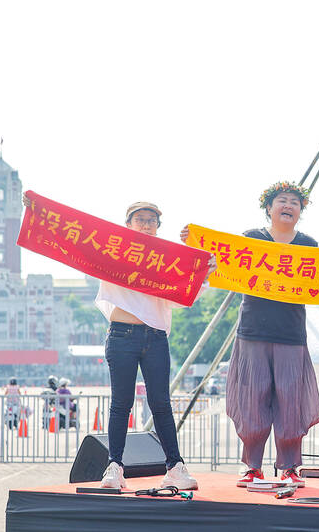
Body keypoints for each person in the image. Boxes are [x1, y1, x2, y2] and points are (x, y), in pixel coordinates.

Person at [183, 182, 319, 488]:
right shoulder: (251, 239)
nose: (288, 206)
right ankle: (252, 466)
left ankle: (290, 467)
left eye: (295, 202)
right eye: (282, 200)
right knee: (252, 398)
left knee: (291, 400)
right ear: (269, 207)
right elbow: (221, 264)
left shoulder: (309, 245)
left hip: (291, 333)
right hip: (252, 331)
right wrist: (194, 244)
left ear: (301, 211)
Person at [92, 201, 215, 490]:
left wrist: (203, 270)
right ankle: (114, 467)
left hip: (156, 337)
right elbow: (78, 245)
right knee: (121, 404)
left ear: (158, 226)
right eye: (140, 219)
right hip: (122, 335)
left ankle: (175, 467)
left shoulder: (167, 259)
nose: (146, 224)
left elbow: (182, 295)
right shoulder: (114, 252)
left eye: (152, 220)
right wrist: (39, 211)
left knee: (161, 403)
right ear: (128, 224)